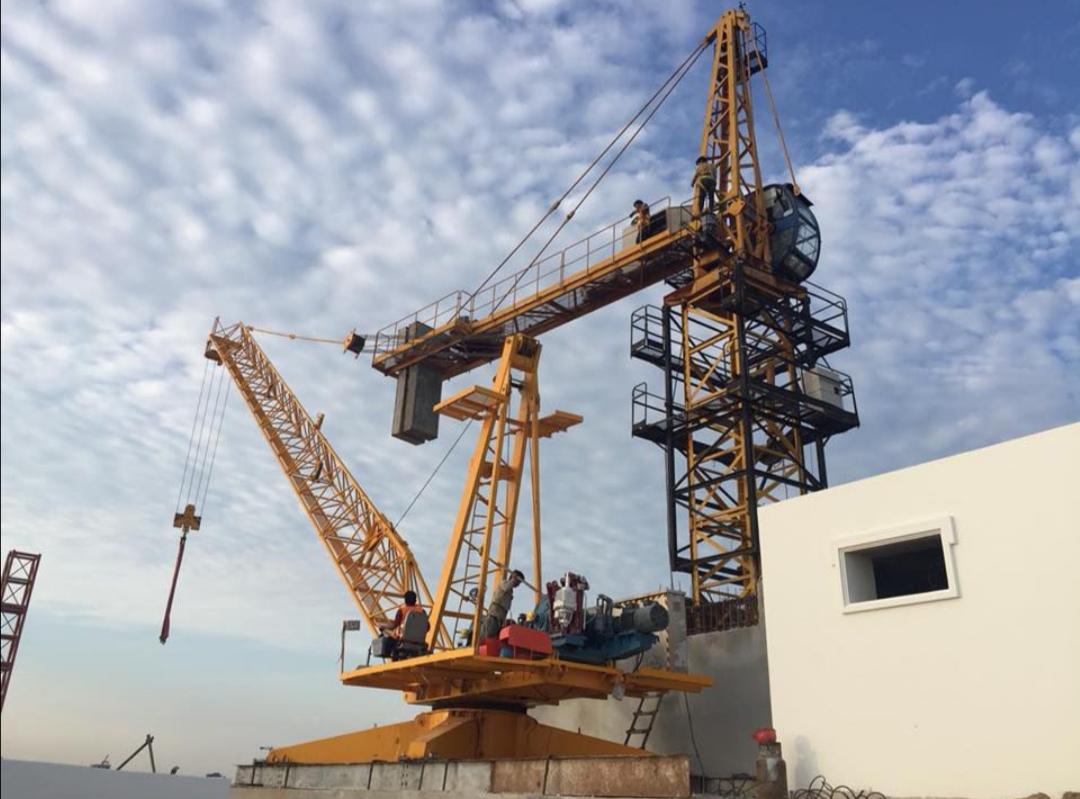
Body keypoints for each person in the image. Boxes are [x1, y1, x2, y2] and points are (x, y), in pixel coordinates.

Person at [480, 569, 525, 640]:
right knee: (487, 635)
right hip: (494, 616)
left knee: (494, 637)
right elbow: (506, 587)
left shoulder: (510, 591)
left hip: (500, 618)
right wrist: (514, 579)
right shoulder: (504, 583)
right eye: (518, 582)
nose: (517, 584)